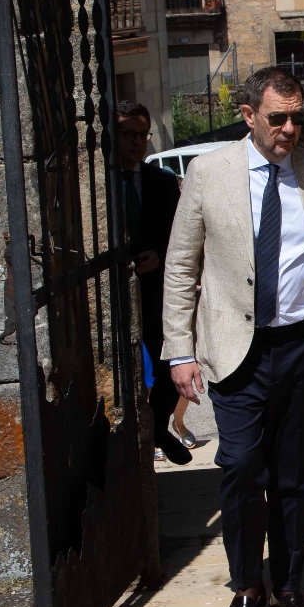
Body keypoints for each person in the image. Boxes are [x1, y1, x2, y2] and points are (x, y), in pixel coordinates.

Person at [161, 67, 304, 607]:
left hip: (301, 343)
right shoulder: (208, 173)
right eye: (277, 118)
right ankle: (247, 587)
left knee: (294, 474)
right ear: (249, 116)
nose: (290, 129)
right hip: (235, 348)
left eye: (298, 118)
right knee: (242, 468)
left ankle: (289, 585)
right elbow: (181, 266)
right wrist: (179, 351)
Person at [114, 100, 187, 466]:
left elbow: (181, 237)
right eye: (128, 134)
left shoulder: (162, 182)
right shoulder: (98, 185)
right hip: (113, 296)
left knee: (171, 363)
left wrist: (158, 255)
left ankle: (158, 427)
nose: (136, 142)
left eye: (143, 135)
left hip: (156, 291)